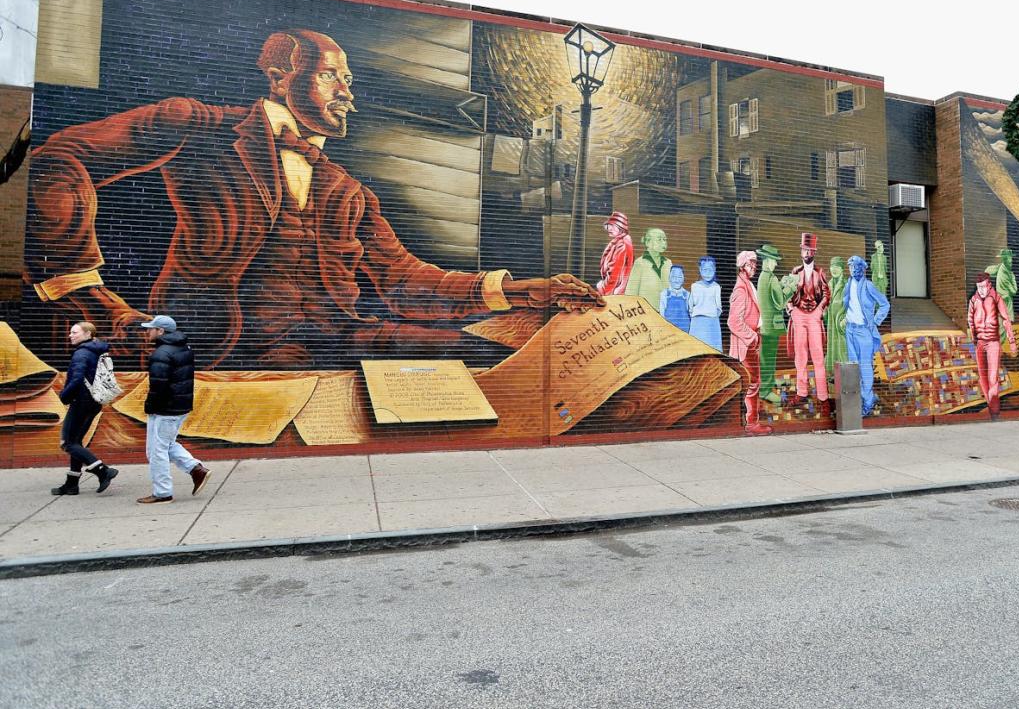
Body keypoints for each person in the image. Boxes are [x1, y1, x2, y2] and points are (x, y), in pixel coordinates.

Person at [24, 29, 601, 370]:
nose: (349, 95)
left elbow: (405, 280)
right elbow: (58, 161)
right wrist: (94, 303)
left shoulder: (347, 192)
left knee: (499, 350)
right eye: (332, 78)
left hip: (343, 343)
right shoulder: (199, 129)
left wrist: (527, 289)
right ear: (279, 77)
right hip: (227, 353)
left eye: (348, 81)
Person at [136, 315, 210, 504]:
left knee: (157, 450)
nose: (147, 331)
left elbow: (159, 385)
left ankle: (162, 493)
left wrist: (150, 407)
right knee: (164, 445)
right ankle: (196, 469)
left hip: (165, 409)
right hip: (179, 406)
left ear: (161, 331)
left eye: (151, 328)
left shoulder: (161, 353)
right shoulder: (183, 348)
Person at [49, 321, 119, 496]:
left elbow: (77, 378)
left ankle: (102, 470)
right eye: (71, 332)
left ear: (88, 334)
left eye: (75, 332)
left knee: (67, 443)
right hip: (94, 401)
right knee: (76, 442)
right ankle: (72, 484)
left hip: (81, 401)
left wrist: (64, 396)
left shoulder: (82, 353)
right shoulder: (97, 351)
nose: (70, 335)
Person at [728, 250, 772, 435]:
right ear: (742, 265)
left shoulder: (747, 285)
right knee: (752, 383)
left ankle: (748, 420)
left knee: (751, 383)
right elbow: (734, 321)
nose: (753, 266)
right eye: (750, 263)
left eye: (755, 263)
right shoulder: (740, 289)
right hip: (746, 345)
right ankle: (751, 423)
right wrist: (753, 338)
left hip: (751, 342)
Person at [786, 233, 830, 407]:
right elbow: (787, 293)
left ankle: (823, 396)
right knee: (800, 356)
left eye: (809, 250)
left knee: (818, 356)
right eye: (804, 249)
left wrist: (819, 310)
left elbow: (827, 294)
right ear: (801, 251)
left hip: (814, 317)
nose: (806, 253)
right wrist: (791, 309)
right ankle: (802, 392)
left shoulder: (820, 272)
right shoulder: (795, 271)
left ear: (814, 252)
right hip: (799, 315)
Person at [843, 255, 889, 418]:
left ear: (863, 269)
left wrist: (875, 321)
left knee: (865, 366)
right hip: (850, 330)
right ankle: (864, 398)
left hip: (864, 331)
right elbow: (846, 305)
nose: (853, 270)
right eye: (851, 267)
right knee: (853, 366)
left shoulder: (869, 286)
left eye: (857, 267)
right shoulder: (847, 285)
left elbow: (885, 304)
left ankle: (868, 401)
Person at [967, 273, 1017, 420]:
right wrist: (973, 338)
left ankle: (994, 412)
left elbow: (1006, 320)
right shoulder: (973, 300)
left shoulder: (996, 298)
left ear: (989, 285)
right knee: (983, 378)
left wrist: (1012, 341)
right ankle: (991, 408)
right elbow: (970, 321)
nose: (981, 290)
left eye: (983, 287)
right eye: (978, 287)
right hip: (980, 343)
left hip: (993, 343)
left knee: (992, 377)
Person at [755, 244, 789, 404]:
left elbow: (771, 296)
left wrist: (780, 285)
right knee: (768, 358)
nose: (776, 264)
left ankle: (769, 382)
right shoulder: (772, 278)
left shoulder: (763, 277)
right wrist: (790, 288)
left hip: (765, 326)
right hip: (771, 327)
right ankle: (765, 391)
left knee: (767, 358)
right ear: (768, 261)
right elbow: (780, 303)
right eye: (774, 261)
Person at [625, 228, 671, 311]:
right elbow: (631, 291)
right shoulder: (640, 263)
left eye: (664, 240)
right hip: (646, 312)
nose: (663, 243)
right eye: (659, 239)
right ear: (648, 242)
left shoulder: (668, 263)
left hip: (665, 312)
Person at [984, 248, 1017, 348]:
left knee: (1003, 324)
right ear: (1004, 259)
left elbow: (1014, 290)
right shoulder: (1003, 270)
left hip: (1004, 301)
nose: (1010, 261)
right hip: (1002, 301)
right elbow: (987, 271)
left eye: (1010, 259)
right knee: (1003, 324)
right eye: (1008, 259)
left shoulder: (1008, 273)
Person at [688, 256, 722, 351]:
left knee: (712, 349)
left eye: (710, 270)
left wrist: (713, 317)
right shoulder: (695, 286)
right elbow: (690, 305)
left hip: (712, 323)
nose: (707, 273)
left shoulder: (716, 287)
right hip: (698, 323)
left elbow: (719, 307)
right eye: (704, 270)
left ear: (714, 269)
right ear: (700, 269)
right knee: (697, 349)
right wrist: (696, 317)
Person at [597, 211, 634, 296]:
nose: (609, 229)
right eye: (609, 226)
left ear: (621, 228)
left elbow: (614, 274)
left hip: (613, 292)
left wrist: (603, 290)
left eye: (613, 226)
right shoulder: (619, 242)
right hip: (615, 290)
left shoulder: (622, 245)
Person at [823, 256, 848, 377]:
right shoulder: (829, 285)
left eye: (837, 267)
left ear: (842, 269)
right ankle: (833, 375)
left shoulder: (846, 285)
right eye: (832, 266)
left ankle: (845, 377)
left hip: (841, 324)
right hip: (831, 323)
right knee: (832, 348)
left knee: (842, 349)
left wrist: (846, 319)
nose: (834, 269)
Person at [658, 265, 692, 332]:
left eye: (679, 277)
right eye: (674, 277)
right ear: (669, 278)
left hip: (685, 330)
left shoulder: (687, 295)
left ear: (683, 278)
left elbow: (691, 314)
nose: (677, 280)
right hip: (669, 330)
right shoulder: (664, 294)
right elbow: (662, 315)